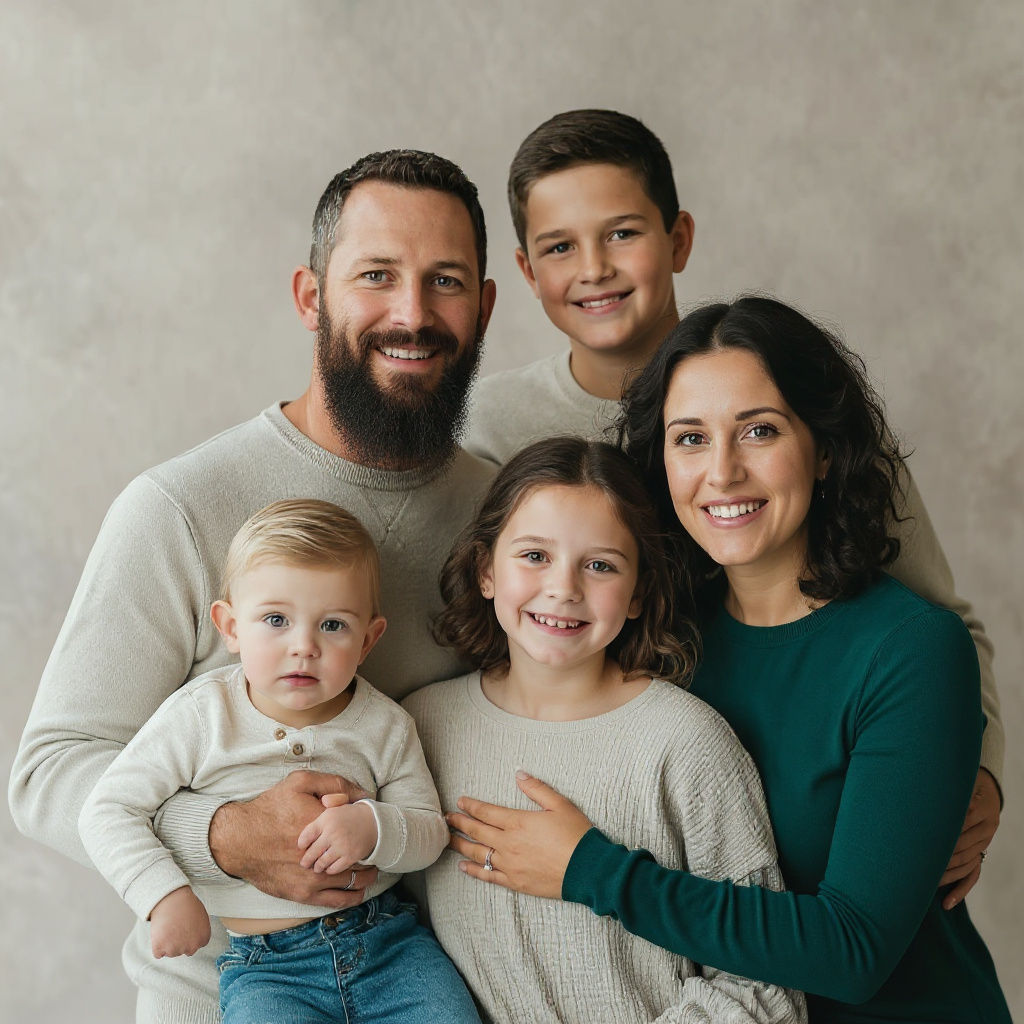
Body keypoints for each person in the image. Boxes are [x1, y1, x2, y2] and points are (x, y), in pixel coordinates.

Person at [464, 109, 1003, 902]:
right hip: (621, 811)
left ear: (679, 239)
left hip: (790, 809)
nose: (594, 270)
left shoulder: (793, 398)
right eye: (559, 248)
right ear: (525, 268)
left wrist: (981, 777)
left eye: (622, 234)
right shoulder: (496, 428)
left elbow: (938, 618)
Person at [10, 150, 497, 1023]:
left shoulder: (507, 523)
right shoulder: (182, 508)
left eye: (447, 281)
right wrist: (225, 834)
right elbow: (48, 776)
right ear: (311, 297)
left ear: (487, 305)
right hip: (225, 994)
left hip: (419, 980)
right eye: (376, 276)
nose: (412, 314)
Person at [447, 298, 1012, 1023]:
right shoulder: (659, 631)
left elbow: (855, 951)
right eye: (690, 439)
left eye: (760, 431)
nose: (722, 471)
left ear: (826, 449)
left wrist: (589, 870)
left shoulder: (910, 650)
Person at [404, 437, 806, 1023]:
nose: (564, 587)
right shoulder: (421, 728)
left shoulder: (687, 745)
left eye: (600, 565)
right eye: (534, 556)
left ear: (640, 592)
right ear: (485, 570)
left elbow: (765, 988)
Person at [79, 499, 482, 1024]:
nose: (303, 647)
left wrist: (375, 826)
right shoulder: (203, 716)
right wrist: (164, 895)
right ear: (229, 627)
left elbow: (430, 833)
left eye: (333, 625)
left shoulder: (385, 725)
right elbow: (107, 810)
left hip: (391, 948)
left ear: (368, 640)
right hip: (268, 971)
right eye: (275, 619)